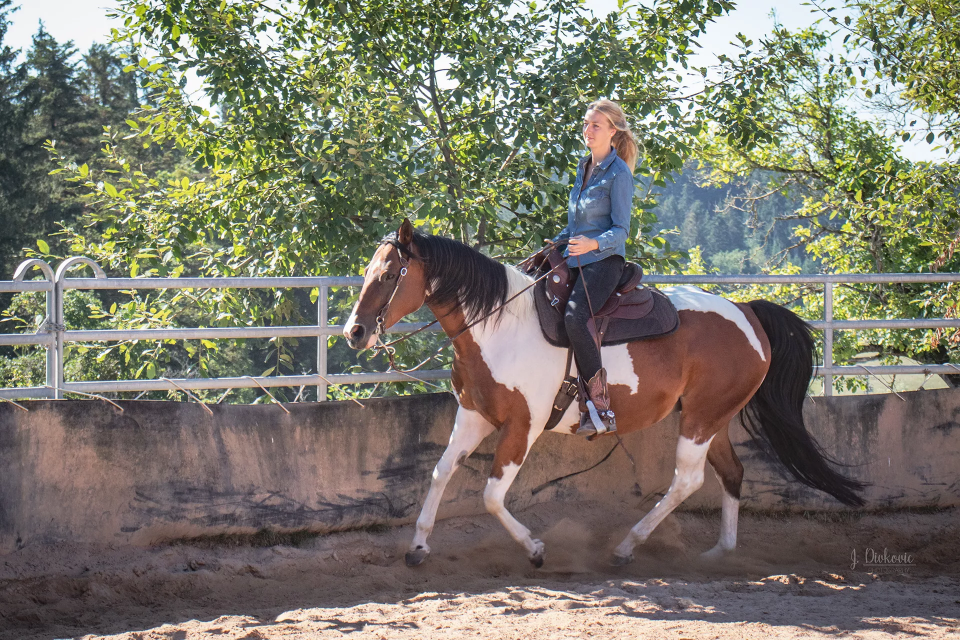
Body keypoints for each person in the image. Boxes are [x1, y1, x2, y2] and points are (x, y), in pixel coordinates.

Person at [552, 99, 639, 437]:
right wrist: (554, 242)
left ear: (613, 131)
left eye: (595, 125)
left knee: (574, 316)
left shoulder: (619, 174)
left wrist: (592, 245)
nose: (587, 130)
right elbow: (576, 225)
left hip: (605, 261)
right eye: (586, 124)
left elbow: (621, 231)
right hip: (576, 255)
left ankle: (599, 405)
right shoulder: (584, 165)